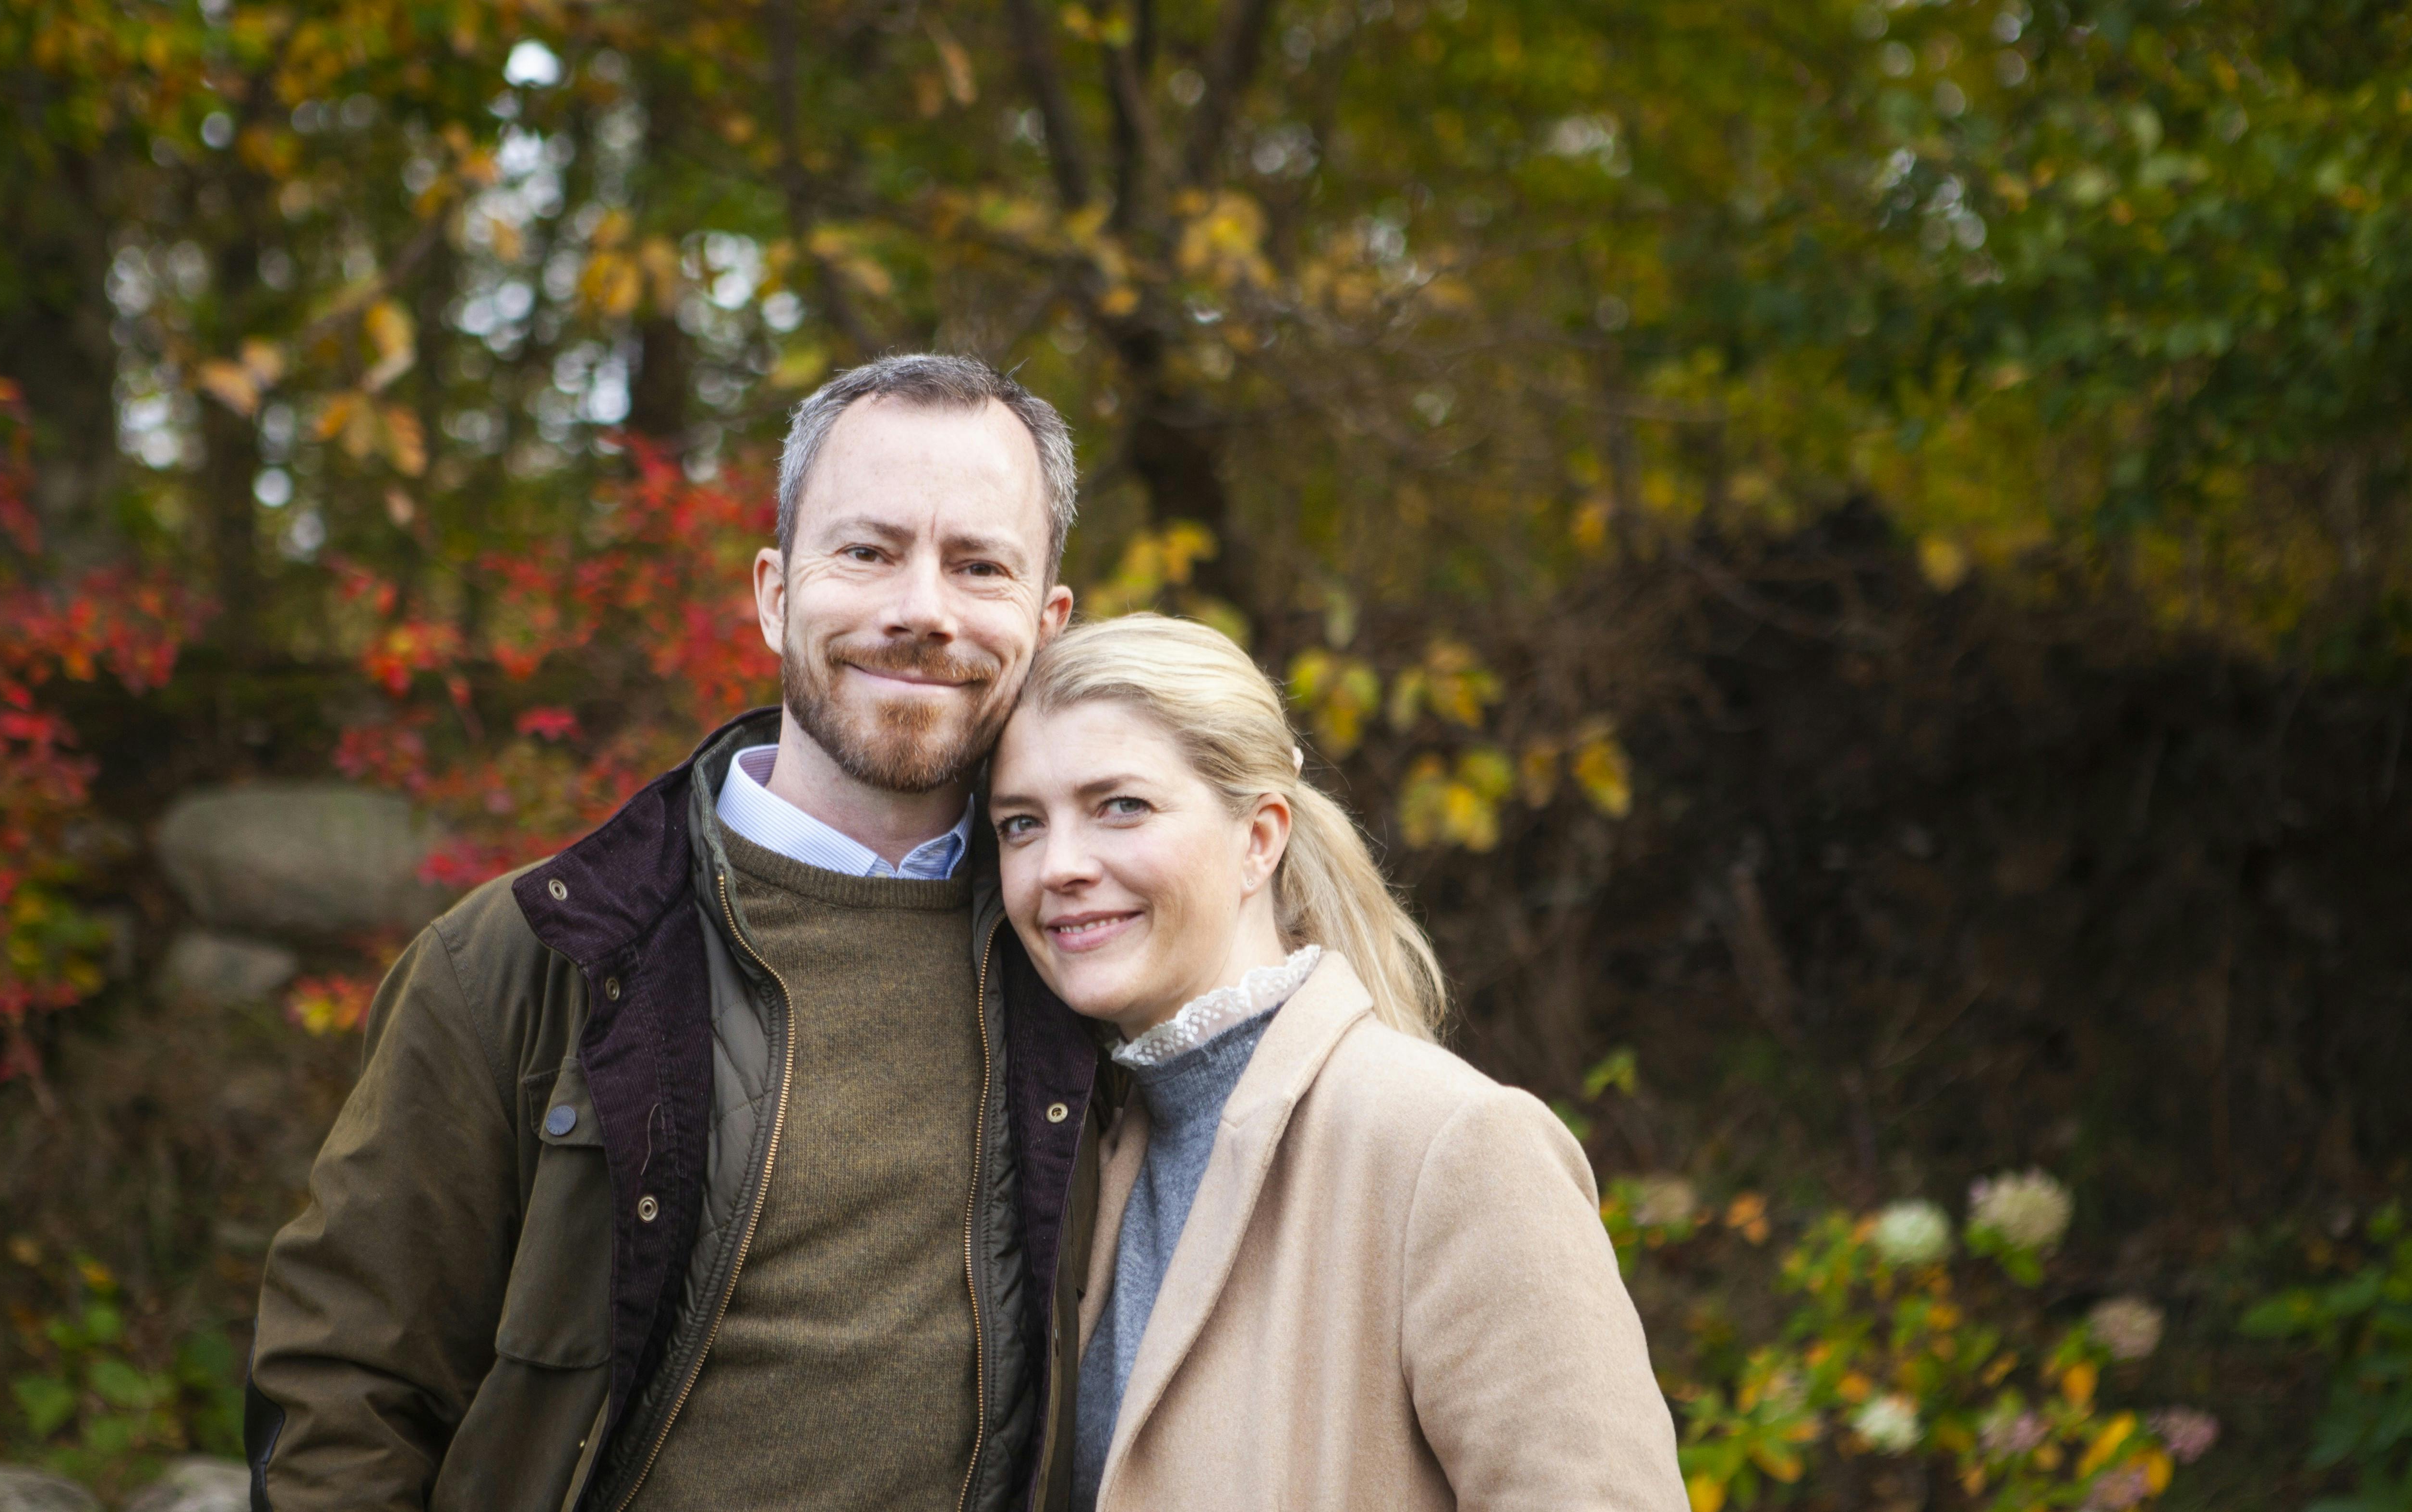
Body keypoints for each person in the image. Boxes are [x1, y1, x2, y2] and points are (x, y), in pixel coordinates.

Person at [246, 354, 1111, 1512]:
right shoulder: (529, 957)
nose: (923, 610)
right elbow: (344, 1392)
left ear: (1047, 622)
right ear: (772, 594)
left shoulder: (1094, 964)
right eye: (866, 551)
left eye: (979, 566)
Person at [987, 613, 1688, 1512]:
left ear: (1261, 836)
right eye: (1020, 825)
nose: (1060, 865)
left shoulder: (1458, 1145)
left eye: (1120, 805)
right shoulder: (1088, 1154)